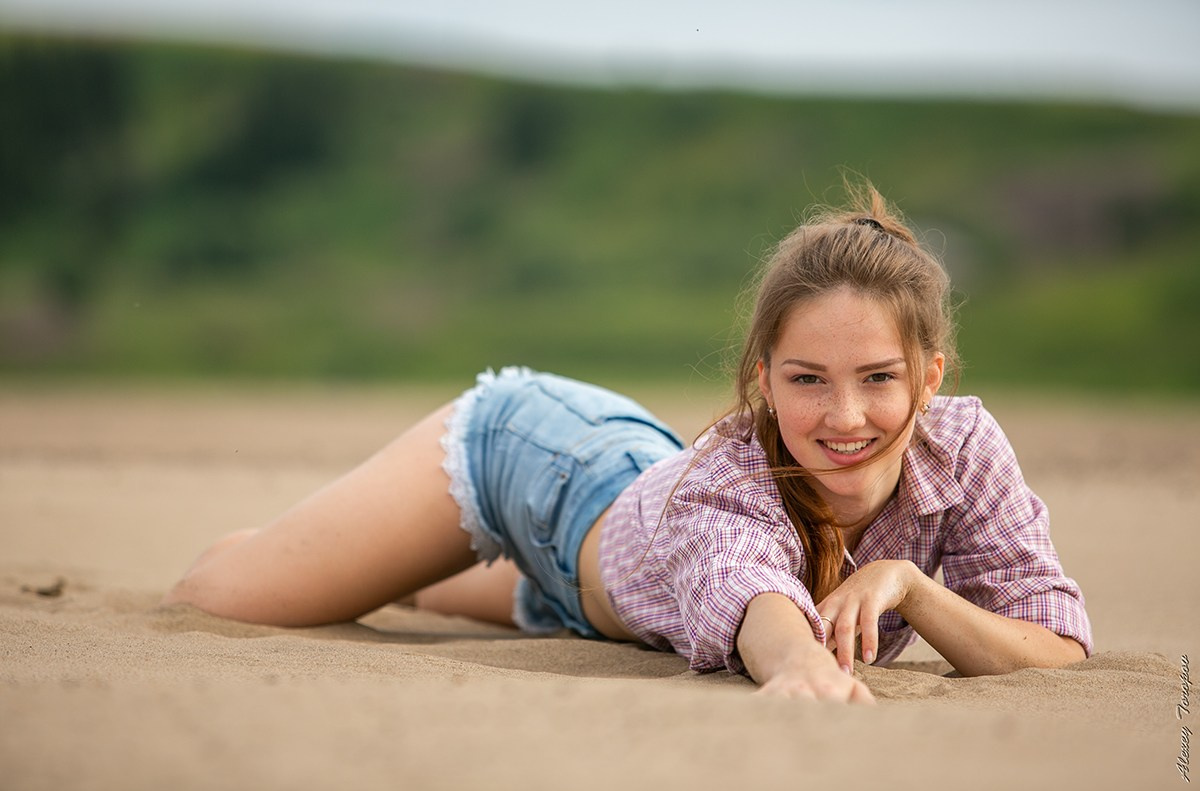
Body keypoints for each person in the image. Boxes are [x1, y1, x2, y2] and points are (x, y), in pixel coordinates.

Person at [163, 184, 1092, 703]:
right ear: (763, 380)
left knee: (570, 592)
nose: (844, 417)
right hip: (537, 466)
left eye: (879, 378)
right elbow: (754, 598)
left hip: (602, 573)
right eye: (807, 379)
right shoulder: (736, 466)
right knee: (219, 595)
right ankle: (297, 549)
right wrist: (804, 668)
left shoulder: (964, 450)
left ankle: (410, 567)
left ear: (932, 376)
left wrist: (912, 587)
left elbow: (1056, 644)